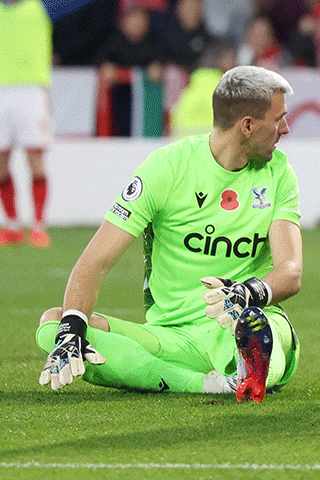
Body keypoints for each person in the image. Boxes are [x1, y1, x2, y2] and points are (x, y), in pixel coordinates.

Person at [36, 66, 301, 402]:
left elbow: (290, 272)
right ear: (248, 125)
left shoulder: (279, 172)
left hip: (243, 323)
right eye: (279, 119)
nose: (286, 128)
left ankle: (243, 365)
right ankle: (210, 382)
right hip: (171, 338)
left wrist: (246, 294)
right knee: (54, 325)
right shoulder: (166, 167)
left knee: (264, 332)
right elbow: (96, 261)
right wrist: (72, 330)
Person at [0, 0, 121, 247]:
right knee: (1, 163)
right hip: (1, 92)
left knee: (35, 159)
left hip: (31, 92)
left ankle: (39, 225)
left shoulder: (41, 7)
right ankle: (12, 226)